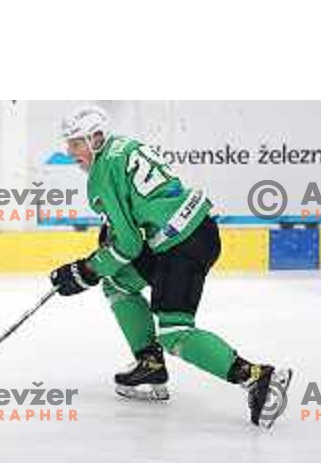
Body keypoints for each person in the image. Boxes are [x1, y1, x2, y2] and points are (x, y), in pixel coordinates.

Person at [50, 105, 292, 428]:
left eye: (76, 143)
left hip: (182, 245)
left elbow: (128, 245)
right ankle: (150, 364)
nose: (70, 152)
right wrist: (103, 263)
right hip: (188, 233)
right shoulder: (124, 147)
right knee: (118, 282)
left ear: (96, 138)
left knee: (175, 332)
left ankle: (258, 376)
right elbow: (135, 222)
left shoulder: (100, 175)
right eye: (69, 144)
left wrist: (88, 270)